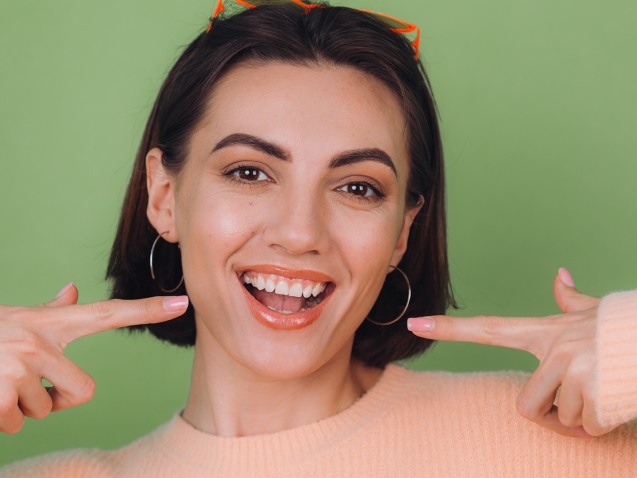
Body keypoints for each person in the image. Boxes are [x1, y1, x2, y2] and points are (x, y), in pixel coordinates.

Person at [0, 1, 635, 476]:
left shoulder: (545, 443)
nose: (300, 233)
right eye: (249, 172)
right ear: (164, 197)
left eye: (358, 187)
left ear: (401, 233)